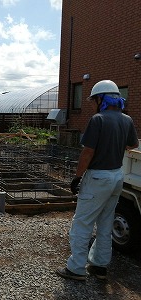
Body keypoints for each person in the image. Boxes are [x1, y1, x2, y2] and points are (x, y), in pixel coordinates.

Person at [56, 80, 139, 281]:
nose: (93, 104)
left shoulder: (98, 120)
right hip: (117, 176)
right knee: (105, 222)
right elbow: (132, 146)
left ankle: (76, 268)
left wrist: (77, 177)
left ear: (101, 99)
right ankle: (100, 266)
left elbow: (88, 152)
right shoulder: (127, 120)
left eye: (94, 100)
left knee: (82, 223)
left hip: (98, 177)